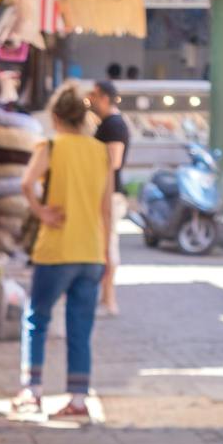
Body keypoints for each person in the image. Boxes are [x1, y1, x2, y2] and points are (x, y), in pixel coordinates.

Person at [15, 84, 112, 422]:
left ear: (55, 117)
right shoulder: (101, 152)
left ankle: (32, 390)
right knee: (80, 328)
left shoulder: (52, 146)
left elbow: (27, 183)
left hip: (56, 250)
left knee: (37, 319)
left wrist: (41, 212)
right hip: (91, 251)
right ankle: (78, 398)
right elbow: (106, 208)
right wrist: (108, 255)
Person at [89, 78, 130, 314]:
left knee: (108, 246)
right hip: (105, 193)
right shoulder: (107, 123)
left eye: (94, 95)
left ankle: (109, 299)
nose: (92, 100)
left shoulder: (113, 125)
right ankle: (105, 298)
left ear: (105, 97)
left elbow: (112, 162)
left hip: (109, 194)